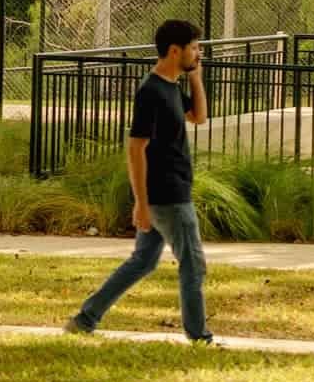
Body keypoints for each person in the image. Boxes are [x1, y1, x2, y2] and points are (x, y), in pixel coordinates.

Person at [67, 18, 213, 343]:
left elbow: (199, 117)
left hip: (169, 193)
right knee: (194, 265)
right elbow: (135, 148)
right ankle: (200, 337)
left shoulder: (172, 88)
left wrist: (196, 79)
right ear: (175, 50)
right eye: (193, 48)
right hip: (167, 197)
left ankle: (85, 319)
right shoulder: (151, 92)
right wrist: (142, 204)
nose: (198, 53)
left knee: (142, 262)